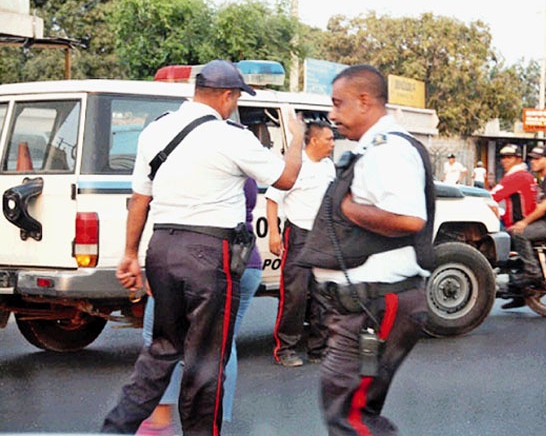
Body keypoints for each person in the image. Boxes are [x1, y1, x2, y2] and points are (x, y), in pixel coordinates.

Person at [101, 59, 305, 436]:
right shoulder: (232, 136)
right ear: (227, 96)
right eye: (237, 98)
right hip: (210, 255)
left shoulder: (156, 129)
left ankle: (114, 430)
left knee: (160, 351)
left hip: (161, 249)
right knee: (205, 362)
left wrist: (130, 254)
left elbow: (140, 199)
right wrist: (296, 140)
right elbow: (287, 177)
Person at [299, 65, 434, 436]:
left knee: (350, 418)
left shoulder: (388, 150)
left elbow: (409, 219)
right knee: (355, 413)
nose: (332, 114)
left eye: (338, 104)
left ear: (364, 101)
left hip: (374, 305)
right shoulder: (372, 148)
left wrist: (348, 208)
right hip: (363, 306)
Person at [136, 178, 264, 436]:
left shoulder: (201, 156)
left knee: (159, 336)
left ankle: (160, 422)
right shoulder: (242, 153)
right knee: (222, 343)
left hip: (203, 260)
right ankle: (215, 424)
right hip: (245, 261)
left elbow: (169, 213)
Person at [266, 121, 336, 367]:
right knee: (294, 295)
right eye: (329, 139)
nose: (332, 143)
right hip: (298, 235)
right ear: (314, 140)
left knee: (323, 295)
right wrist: (274, 233)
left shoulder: (329, 167)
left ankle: (318, 348)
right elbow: (273, 199)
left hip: (323, 237)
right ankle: (286, 349)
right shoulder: (294, 165)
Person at [501, 145, 546, 310]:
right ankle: (518, 292)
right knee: (512, 235)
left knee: (521, 234)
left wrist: (524, 223)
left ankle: (532, 272)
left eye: (537, 159)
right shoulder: (542, 178)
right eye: (532, 158)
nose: (533, 162)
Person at [490, 144, 537, 230]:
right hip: (530, 221)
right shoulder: (527, 175)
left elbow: (491, 197)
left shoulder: (516, 176)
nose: (504, 161)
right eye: (503, 157)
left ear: (519, 160)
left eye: (509, 157)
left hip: (516, 225)